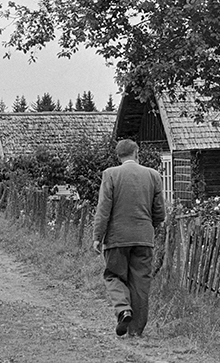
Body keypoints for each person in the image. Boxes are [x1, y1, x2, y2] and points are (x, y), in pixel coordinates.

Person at [93, 139, 166, 337]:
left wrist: (97, 236)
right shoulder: (153, 175)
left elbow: (103, 209)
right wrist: (151, 226)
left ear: (118, 156)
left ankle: (123, 309)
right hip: (144, 238)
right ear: (136, 153)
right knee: (141, 282)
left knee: (113, 275)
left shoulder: (111, 174)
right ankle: (136, 331)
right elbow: (160, 211)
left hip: (117, 238)